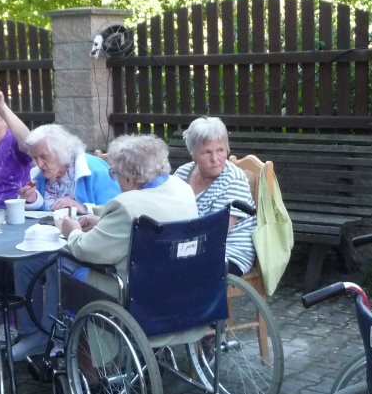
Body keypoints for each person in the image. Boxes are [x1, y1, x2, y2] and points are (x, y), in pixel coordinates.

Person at [9, 122, 119, 358]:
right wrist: (33, 200)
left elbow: (115, 211)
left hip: (88, 248)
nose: (39, 164)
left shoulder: (93, 169)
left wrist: (82, 207)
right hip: (53, 241)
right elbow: (49, 210)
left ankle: (54, 335)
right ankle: (30, 333)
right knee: (23, 262)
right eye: (35, 158)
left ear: (62, 153)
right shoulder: (40, 176)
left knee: (55, 263)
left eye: (44, 157)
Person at [59, 134, 199, 296]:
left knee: (63, 266)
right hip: (179, 284)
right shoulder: (182, 187)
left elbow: (84, 250)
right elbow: (145, 225)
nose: (115, 180)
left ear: (128, 178)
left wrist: (73, 231)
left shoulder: (125, 205)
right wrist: (101, 221)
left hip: (134, 291)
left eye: (115, 174)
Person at [174, 116, 256, 275]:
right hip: (189, 249)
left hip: (227, 253)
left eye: (220, 150)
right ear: (193, 153)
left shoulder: (233, 179)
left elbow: (216, 233)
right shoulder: (182, 174)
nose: (215, 159)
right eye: (207, 152)